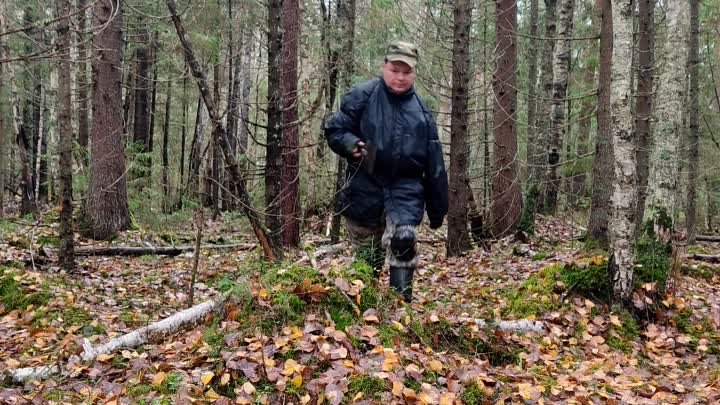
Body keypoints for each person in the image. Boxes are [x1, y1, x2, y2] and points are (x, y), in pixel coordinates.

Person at [324, 40, 449, 302]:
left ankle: (400, 308)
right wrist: (351, 144)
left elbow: (435, 165)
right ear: (384, 66)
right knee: (367, 259)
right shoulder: (362, 96)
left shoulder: (423, 113)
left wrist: (438, 210)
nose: (400, 77)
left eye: (407, 72)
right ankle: (362, 306)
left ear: (414, 73)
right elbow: (335, 130)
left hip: (405, 189)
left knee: (403, 241)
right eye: (395, 70)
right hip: (364, 187)